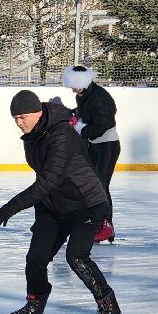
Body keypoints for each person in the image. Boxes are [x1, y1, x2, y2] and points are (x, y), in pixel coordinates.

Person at [0, 89, 127, 314]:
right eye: (15, 118)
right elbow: (44, 179)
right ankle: (34, 305)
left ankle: (111, 312)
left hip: (86, 204)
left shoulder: (62, 133)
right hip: (55, 206)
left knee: (76, 256)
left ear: (38, 112)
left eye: (23, 117)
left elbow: (49, 180)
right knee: (36, 258)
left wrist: (12, 205)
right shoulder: (33, 136)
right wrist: (40, 220)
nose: (19, 123)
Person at [63, 64, 118, 243]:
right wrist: (69, 115)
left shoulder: (100, 97)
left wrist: (81, 129)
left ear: (81, 82)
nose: (72, 90)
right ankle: (96, 223)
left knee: (101, 186)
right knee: (92, 186)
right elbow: (84, 114)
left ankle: (106, 226)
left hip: (107, 146)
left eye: (74, 85)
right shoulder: (83, 95)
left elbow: (104, 124)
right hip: (95, 146)